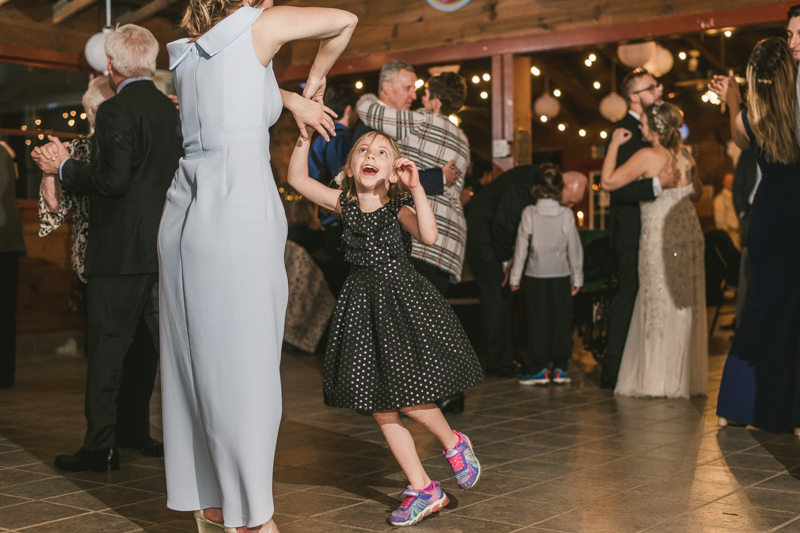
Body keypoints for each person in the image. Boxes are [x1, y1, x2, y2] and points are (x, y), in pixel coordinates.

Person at [161, 1, 357, 532]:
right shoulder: (259, 25)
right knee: (246, 371)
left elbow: (243, 91)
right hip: (236, 206)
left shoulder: (189, 54)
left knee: (195, 362)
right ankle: (252, 520)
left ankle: (214, 502)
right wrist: (315, 80)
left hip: (184, 210)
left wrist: (290, 99)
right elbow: (345, 20)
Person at [287, 129, 483, 527]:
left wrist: (418, 190)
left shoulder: (397, 207)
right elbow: (297, 180)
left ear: (393, 171)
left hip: (400, 304)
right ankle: (425, 488)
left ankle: (453, 442)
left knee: (407, 398)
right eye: (362, 150)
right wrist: (303, 135)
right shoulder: (345, 204)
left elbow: (428, 235)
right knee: (381, 408)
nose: (369, 155)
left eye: (380, 152)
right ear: (351, 166)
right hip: (362, 308)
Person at [32, 24, 183, 471]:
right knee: (157, 352)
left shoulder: (117, 111)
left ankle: (101, 447)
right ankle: (148, 434)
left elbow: (111, 182)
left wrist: (64, 168)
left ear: (111, 66)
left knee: (107, 351)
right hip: (165, 248)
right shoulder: (174, 110)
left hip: (119, 253)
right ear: (152, 61)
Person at [710, 37, 800, 434]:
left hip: (766, 216)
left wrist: (733, 98)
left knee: (760, 308)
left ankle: (734, 405)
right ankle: (787, 411)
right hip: (796, 213)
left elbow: (738, 136)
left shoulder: (752, 119)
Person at [602, 101, 706, 398]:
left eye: (645, 123)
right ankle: (681, 377)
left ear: (657, 130)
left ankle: (658, 379)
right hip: (688, 233)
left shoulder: (647, 154)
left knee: (658, 300)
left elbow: (608, 182)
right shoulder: (685, 154)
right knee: (683, 303)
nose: (640, 128)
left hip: (660, 235)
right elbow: (696, 193)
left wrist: (613, 144)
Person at [466, 165, 586, 379]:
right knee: (497, 298)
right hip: (482, 234)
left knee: (507, 300)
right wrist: (506, 263)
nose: (569, 206)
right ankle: (498, 362)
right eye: (571, 200)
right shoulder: (524, 187)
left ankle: (509, 357)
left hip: (498, 238)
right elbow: (503, 225)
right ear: (563, 186)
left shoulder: (541, 191)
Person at [601, 69, 679, 390]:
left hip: (656, 227)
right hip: (632, 228)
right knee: (629, 294)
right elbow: (617, 189)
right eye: (651, 88)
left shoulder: (660, 130)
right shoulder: (626, 131)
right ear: (634, 97)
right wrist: (656, 184)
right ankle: (614, 369)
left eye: (658, 86)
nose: (659, 91)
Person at [38, 76, 115, 346]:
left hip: (135, 253)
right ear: (95, 111)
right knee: (101, 341)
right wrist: (49, 172)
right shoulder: (78, 148)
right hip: (91, 258)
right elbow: (54, 208)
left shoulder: (131, 144)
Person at [509, 164, 583, 386]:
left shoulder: (529, 212)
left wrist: (514, 277)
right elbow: (574, 248)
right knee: (561, 321)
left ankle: (540, 368)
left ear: (537, 188)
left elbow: (521, 247)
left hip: (535, 275)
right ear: (560, 188)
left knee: (538, 323)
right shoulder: (565, 214)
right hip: (561, 275)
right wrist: (577, 277)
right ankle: (560, 368)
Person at [353, 59, 457, 196]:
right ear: (387, 87)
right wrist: (439, 177)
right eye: (408, 88)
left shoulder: (400, 122)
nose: (414, 96)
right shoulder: (371, 126)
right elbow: (378, 179)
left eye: (414, 89)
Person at [0, 135, 25, 389]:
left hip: (3, 245)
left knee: (4, 314)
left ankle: (4, 374)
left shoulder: (1, 153)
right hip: (5, 244)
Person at [732, 149, 759, 328]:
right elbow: (737, 186)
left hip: (776, 212)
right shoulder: (749, 154)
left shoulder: (782, 149)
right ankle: (742, 322)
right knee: (748, 266)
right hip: (750, 213)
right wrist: (742, 213)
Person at [713, 172, 741, 249]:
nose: (731, 183)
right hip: (730, 233)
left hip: (739, 233)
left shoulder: (736, 197)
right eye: (728, 181)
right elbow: (719, 220)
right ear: (723, 182)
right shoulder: (720, 199)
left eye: (732, 181)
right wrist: (725, 234)